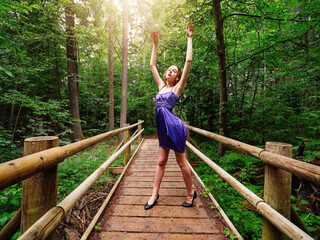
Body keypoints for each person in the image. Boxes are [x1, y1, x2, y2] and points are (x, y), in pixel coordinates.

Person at [144, 22, 196, 210]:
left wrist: (189, 38)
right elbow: (152, 64)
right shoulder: (161, 87)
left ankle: (190, 193)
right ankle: (154, 194)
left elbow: (188, 62)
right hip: (162, 129)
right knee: (161, 161)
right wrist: (155, 44)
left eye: (174, 71)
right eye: (169, 69)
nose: (170, 71)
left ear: (177, 77)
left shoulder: (177, 88)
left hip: (174, 128)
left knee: (181, 162)